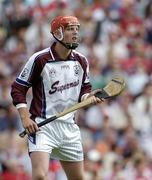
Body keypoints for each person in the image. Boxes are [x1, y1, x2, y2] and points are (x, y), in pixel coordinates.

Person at [11, 15, 102, 180]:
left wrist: (90, 97)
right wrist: (25, 119)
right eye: (69, 29)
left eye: (77, 29)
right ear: (58, 33)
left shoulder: (82, 61)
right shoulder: (40, 59)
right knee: (39, 176)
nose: (75, 33)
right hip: (42, 126)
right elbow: (18, 88)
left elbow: (84, 91)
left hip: (69, 128)